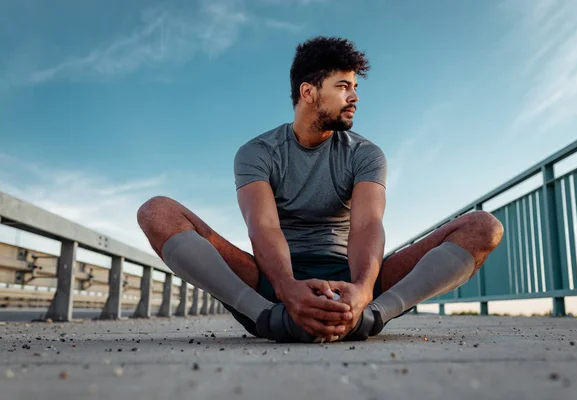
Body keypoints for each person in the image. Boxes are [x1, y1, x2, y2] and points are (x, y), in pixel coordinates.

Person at [137, 36, 504, 343]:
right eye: (343, 87)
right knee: (157, 212)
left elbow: (366, 226)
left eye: (355, 87)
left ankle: (373, 316)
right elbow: (263, 228)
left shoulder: (366, 154)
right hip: (273, 283)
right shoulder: (258, 152)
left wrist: (362, 289)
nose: (354, 96)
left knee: (484, 227)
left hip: (350, 276)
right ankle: (266, 318)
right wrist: (286, 288)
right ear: (309, 92)